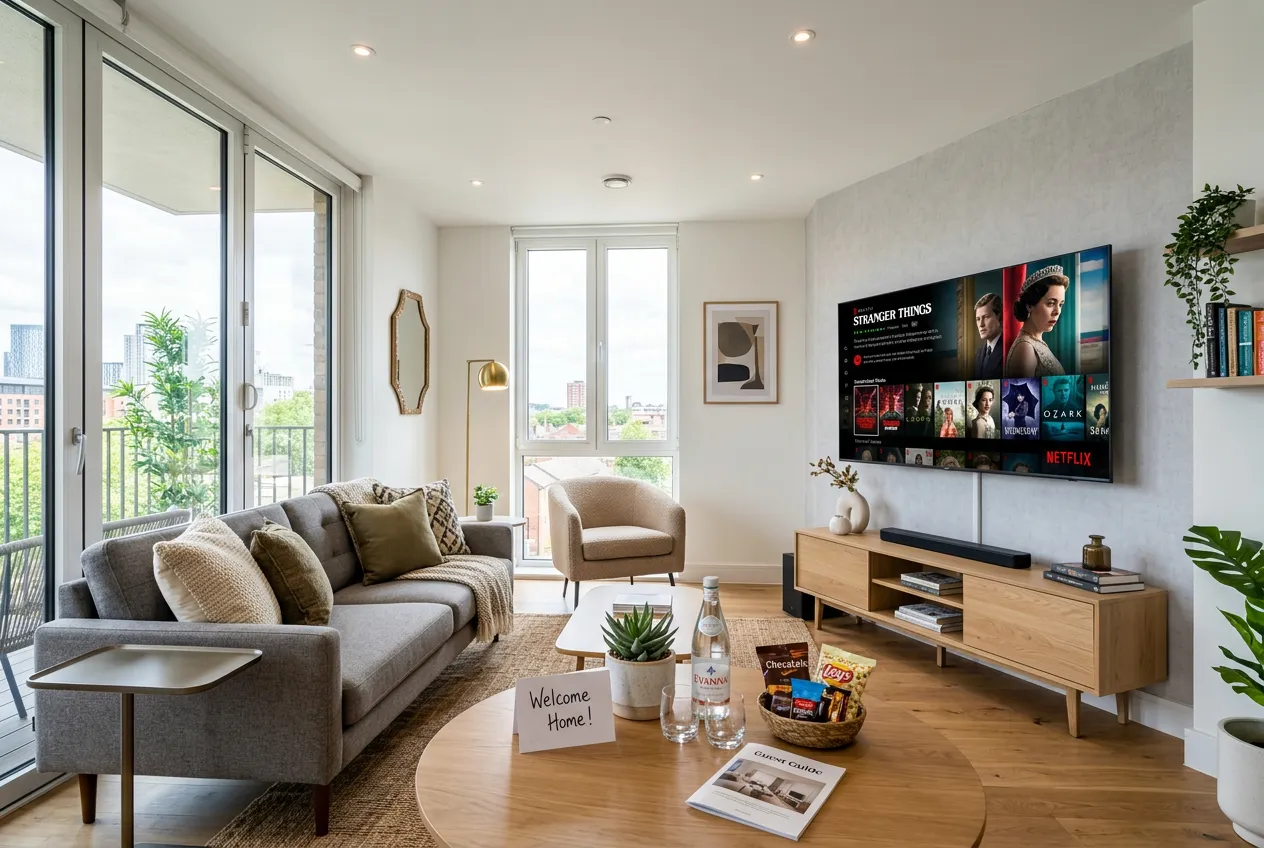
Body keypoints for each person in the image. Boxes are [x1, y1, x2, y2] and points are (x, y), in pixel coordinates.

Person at [1005, 265, 1069, 377]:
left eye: (1061, 304)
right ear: (1030, 306)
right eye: (1051, 303)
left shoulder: (1036, 342)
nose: (1057, 311)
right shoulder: (1025, 348)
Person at [972, 293, 1003, 378]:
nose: (981, 324)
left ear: (999, 317)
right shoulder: (978, 354)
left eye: (986, 317)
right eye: (978, 319)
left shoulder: (1009, 349)